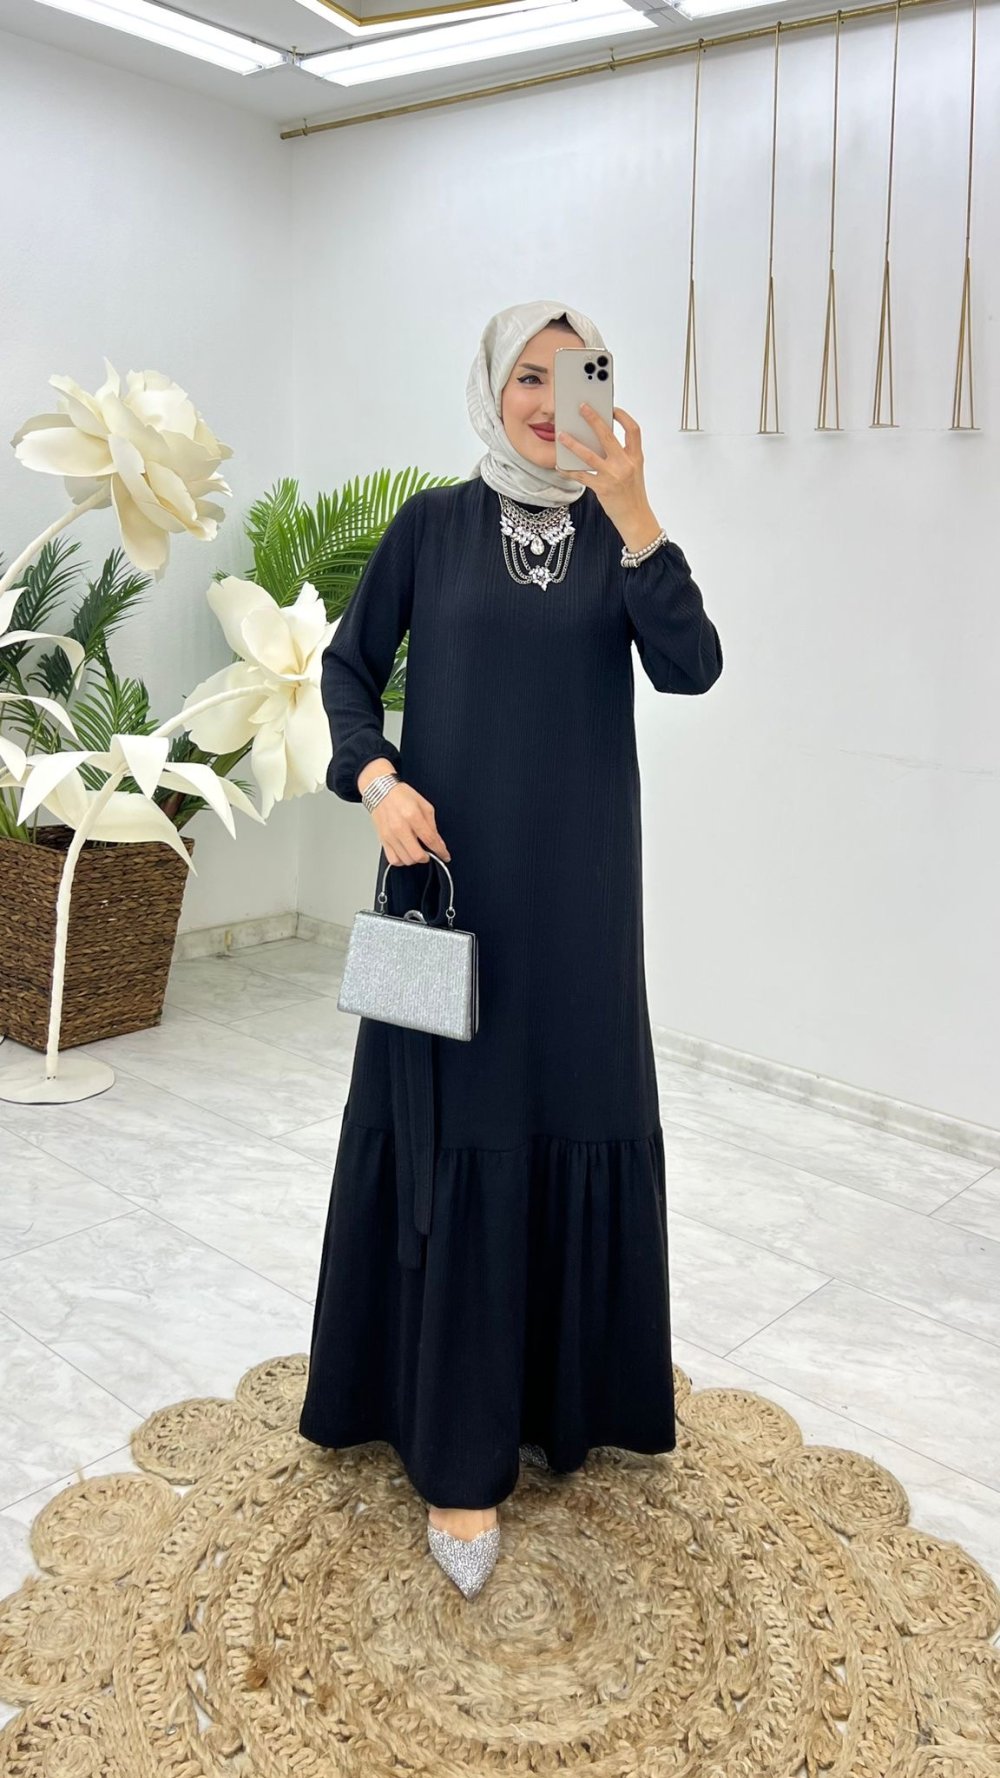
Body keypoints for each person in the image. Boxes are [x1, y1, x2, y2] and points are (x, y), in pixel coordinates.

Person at [298, 299, 723, 1599]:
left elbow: (693, 667)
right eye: (527, 375)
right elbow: (347, 671)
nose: (548, 399)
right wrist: (376, 778)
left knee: (573, 1109)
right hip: (446, 890)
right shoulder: (429, 527)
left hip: (583, 904)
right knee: (457, 1128)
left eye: (576, 374)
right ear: (491, 386)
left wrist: (639, 515)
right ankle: (457, 1457)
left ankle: (563, 1401)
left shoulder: (618, 538)